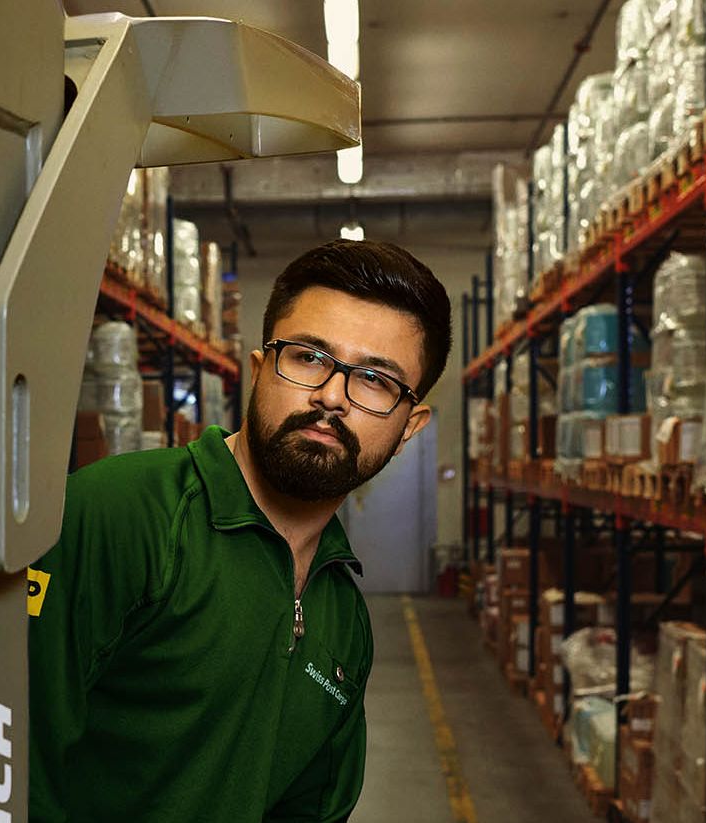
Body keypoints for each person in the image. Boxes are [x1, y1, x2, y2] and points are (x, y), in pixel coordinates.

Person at [27, 239, 452, 822]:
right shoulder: (119, 516)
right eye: (307, 357)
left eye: (376, 380)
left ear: (410, 427)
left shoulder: (342, 620)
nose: (331, 396)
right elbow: (9, 764)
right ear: (258, 370)